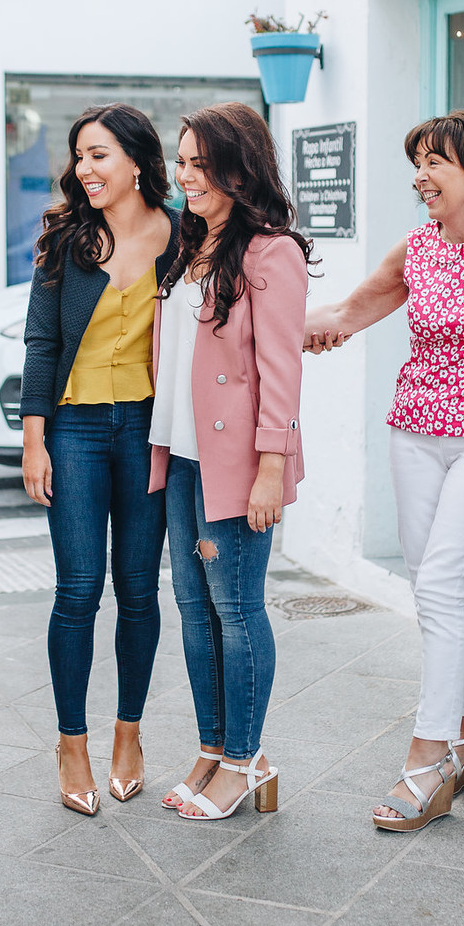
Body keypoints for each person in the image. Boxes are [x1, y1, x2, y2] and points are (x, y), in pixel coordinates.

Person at [303, 111, 464, 832]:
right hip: (414, 435)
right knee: (432, 587)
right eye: (416, 162)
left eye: (434, 162)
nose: (420, 176)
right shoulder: (415, 250)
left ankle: (430, 758)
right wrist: (245, 330)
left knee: (442, 583)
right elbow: (349, 312)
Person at [149, 102, 309, 822]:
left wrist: (271, 466)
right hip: (184, 457)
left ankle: (244, 761)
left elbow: (281, 371)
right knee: (194, 610)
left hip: (236, 464)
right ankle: (215, 749)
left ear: (237, 168)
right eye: (181, 162)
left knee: (236, 611)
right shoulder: (190, 247)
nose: (187, 176)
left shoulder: (271, 252)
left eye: (199, 163)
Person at [21, 104, 182, 817]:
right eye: (80, 157)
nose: (85, 169)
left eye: (99, 156)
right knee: (78, 592)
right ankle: (71, 743)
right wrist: (34, 440)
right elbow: (40, 344)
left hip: (149, 432)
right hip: (77, 432)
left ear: (138, 162)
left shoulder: (184, 236)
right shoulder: (65, 241)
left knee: (141, 592)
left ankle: (128, 736)